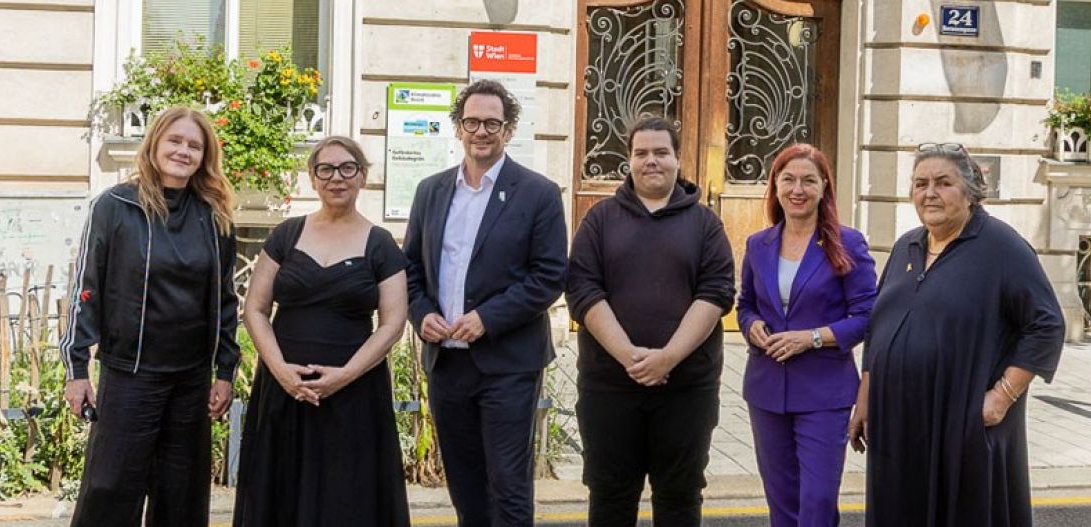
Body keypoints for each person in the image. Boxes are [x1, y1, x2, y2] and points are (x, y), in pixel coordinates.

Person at [852, 143, 1065, 526]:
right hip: (899, 423)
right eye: (920, 184)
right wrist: (865, 398)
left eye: (942, 182)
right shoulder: (907, 246)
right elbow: (878, 325)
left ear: (969, 191)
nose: (929, 193)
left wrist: (1002, 396)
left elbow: (1046, 325)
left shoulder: (1001, 247)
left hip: (962, 420)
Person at [61, 105, 239, 527]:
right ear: (155, 143)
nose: (184, 151)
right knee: (110, 490)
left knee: (181, 495)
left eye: (194, 145)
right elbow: (87, 289)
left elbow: (225, 300)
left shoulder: (214, 215)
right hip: (130, 375)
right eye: (175, 140)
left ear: (205, 155)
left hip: (190, 378)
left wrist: (225, 370)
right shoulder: (116, 206)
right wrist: (77, 368)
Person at [403, 78, 568, 527]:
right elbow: (410, 270)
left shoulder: (538, 193)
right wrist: (422, 315)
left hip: (509, 364)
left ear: (509, 128)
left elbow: (550, 275)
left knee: (509, 485)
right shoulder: (430, 191)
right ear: (458, 127)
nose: (481, 131)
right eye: (471, 121)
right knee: (464, 482)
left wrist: (487, 319)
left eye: (491, 122)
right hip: (447, 364)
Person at [563, 115, 736, 527]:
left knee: (679, 497)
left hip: (686, 389)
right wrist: (630, 357)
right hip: (609, 388)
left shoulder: (705, 224)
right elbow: (583, 291)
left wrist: (667, 359)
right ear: (629, 160)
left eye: (661, 152)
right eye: (641, 153)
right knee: (610, 497)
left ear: (678, 159)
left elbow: (716, 294)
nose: (651, 161)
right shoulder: (599, 220)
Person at [234, 135, 410, 526]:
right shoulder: (286, 234)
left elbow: (394, 323)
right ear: (312, 178)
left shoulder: (380, 244)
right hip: (284, 391)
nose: (337, 178)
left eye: (348, 168)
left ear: (362, 177)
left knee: (346, 497)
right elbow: (255, 309)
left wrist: (345, 376)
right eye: (325, 169)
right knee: (281, 492)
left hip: (354, 394)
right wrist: (280, 371)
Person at [737, 142, 878, 527]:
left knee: (816, 503)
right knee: (781, 502)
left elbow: (869, 316)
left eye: (808, 181)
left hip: (824, 392)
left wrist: (812, 337)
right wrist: (752, 326)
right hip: (766, 390)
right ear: (775, 186)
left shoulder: (848, 243)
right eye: (789, 180)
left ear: (824, 188)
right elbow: (745, 304)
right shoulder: (758, 244)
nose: (797, 189)